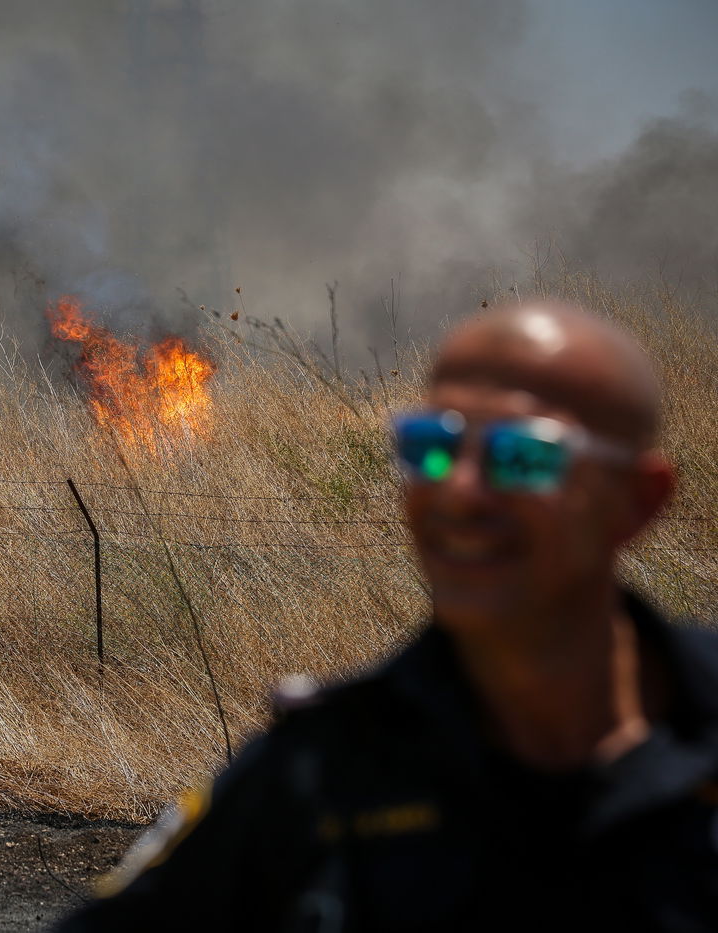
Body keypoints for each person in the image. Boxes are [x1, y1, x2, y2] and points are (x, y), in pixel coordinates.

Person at [57, 300, 718, 931]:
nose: (460, 490)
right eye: (430, 445)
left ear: (638, 500)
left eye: (522, 456)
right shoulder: (320, 774)